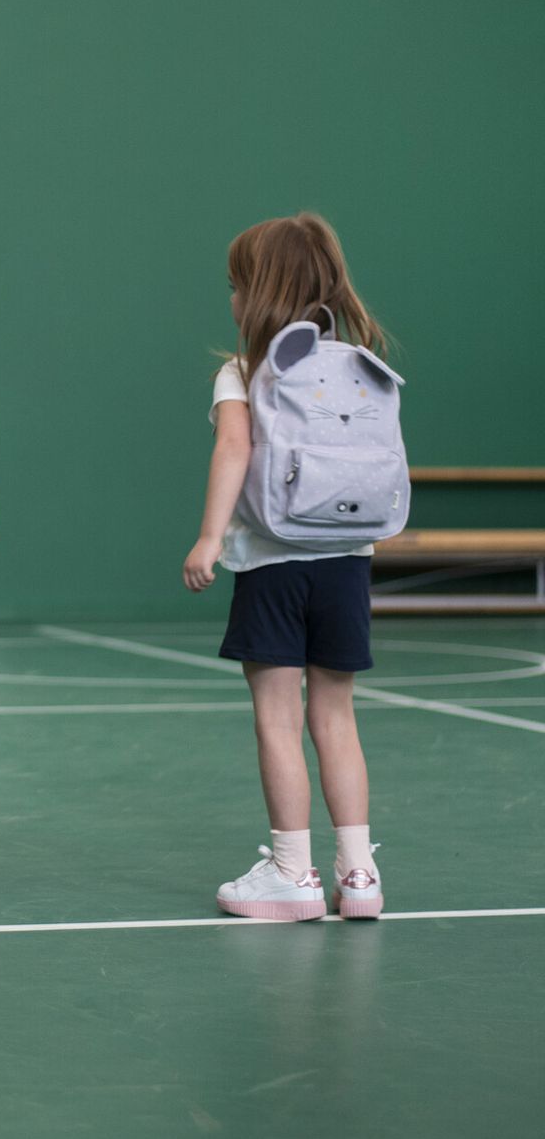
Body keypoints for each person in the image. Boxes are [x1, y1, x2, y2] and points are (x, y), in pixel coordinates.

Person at [183, 213, 391, 921]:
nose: (233, 299)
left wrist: (209, 538)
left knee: (278, 717)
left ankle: (293, 874)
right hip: (347, 564)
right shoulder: (361, 366)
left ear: (261, 293)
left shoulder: (243, 372)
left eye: (237, 285)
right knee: (336, 718)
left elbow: (233, 451)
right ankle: (359, 876)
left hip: (272, 562)